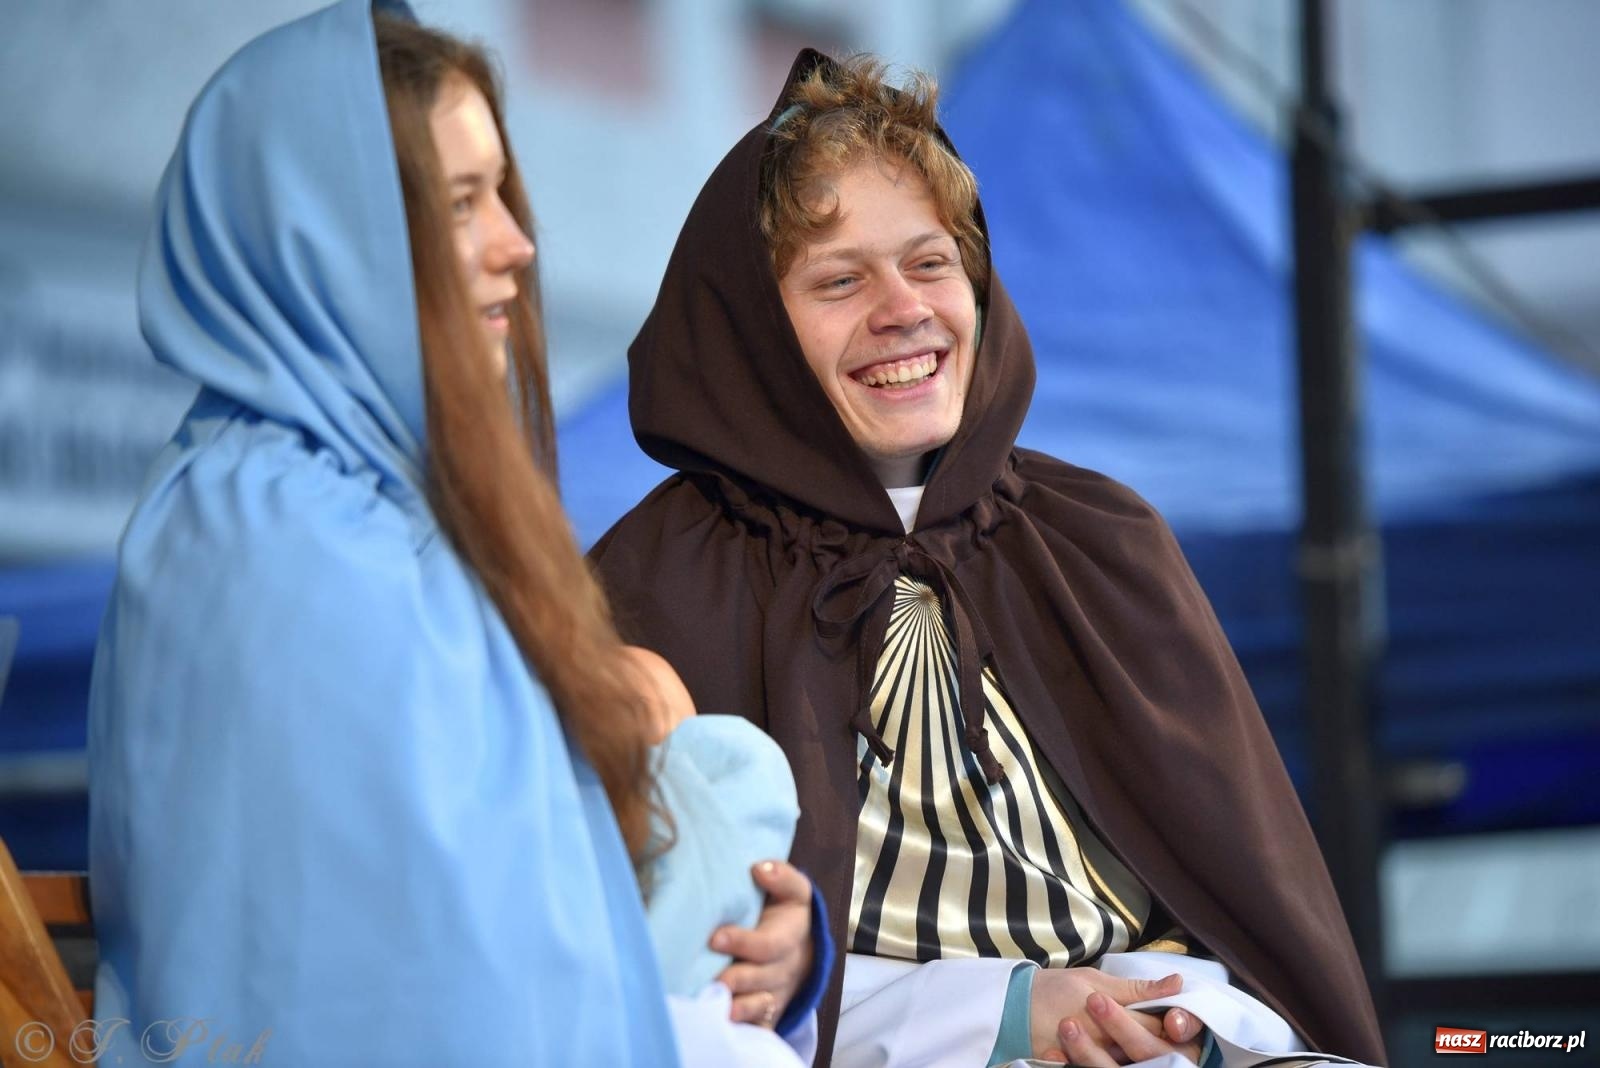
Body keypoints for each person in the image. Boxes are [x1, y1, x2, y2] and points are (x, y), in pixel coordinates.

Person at [589, 51, 1388, 1068]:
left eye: (930, 263)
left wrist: (1175, 1023)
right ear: (746, 332)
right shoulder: (650, 591)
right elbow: (663, 980)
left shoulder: (1098, 541)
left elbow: (1251, 907)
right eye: (838, 279)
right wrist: (1014, 1010)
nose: (902, 309)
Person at [87, 2, 824, 1064]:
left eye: (502, 196)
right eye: (460, 202)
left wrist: (774, 956)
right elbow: (381, 972)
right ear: (327, 237)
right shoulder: (269, 532)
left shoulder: (376, 511)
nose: (517, 245)